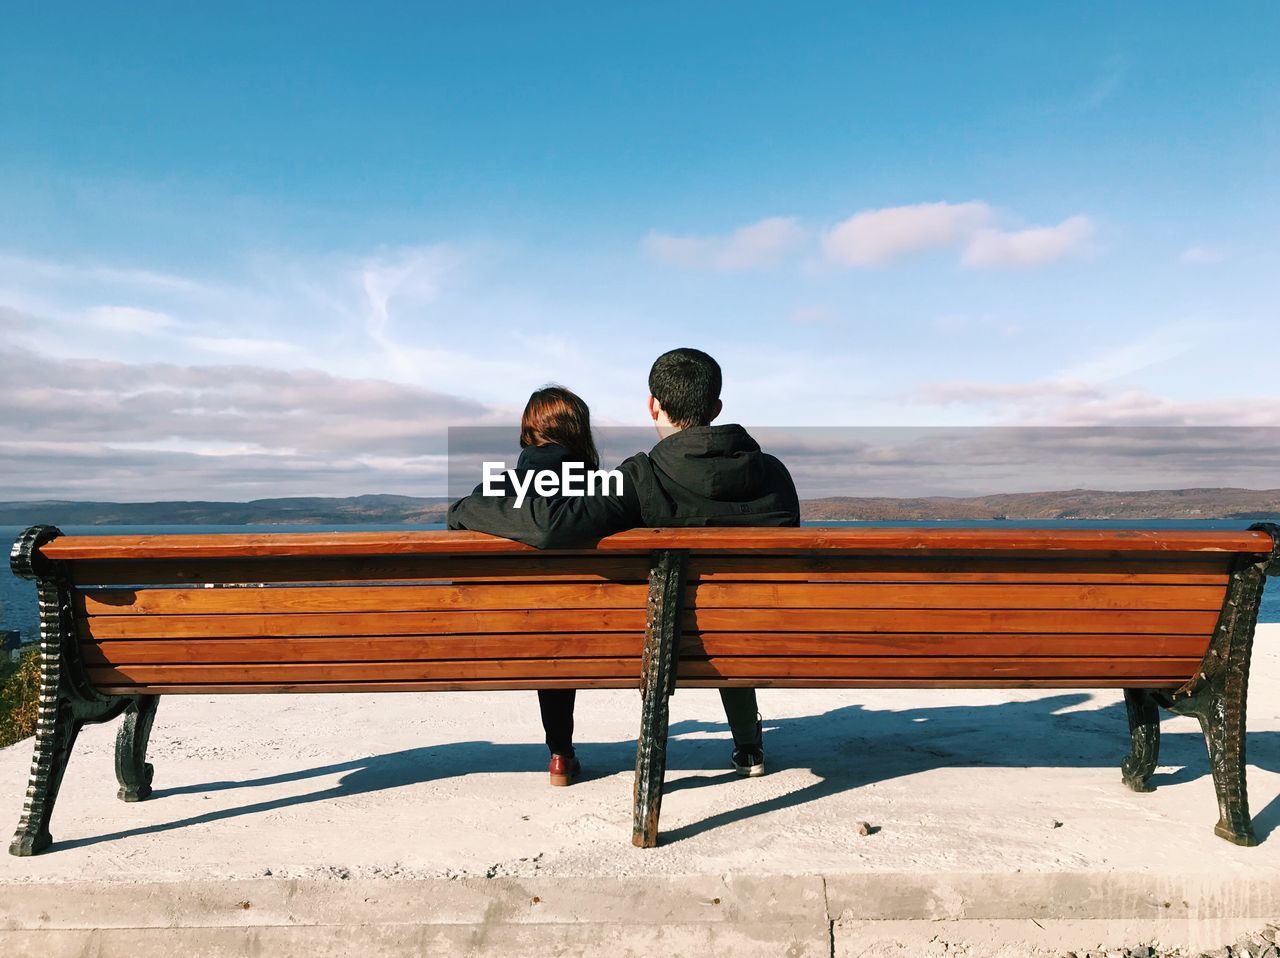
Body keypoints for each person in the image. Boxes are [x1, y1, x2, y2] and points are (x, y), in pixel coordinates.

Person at [449, 348, 800, 780]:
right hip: (759, 634)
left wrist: (466, 507)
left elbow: (549, 526)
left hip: (653, 645)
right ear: (716, 408)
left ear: (654, 405)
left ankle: (563, 748)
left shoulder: (641, 479)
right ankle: (748, 744)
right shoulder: (776, 475)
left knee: (688, 611)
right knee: (731, 608)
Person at [487, 385, 600, 787]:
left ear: (528, 432)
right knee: (562, 621)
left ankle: (560, 753)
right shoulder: (608, 492)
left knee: (549, 624)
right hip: (608, 629)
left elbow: (458, 515)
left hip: (517, 629)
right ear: (579, 432)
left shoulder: (495, 494)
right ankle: (562, 751)